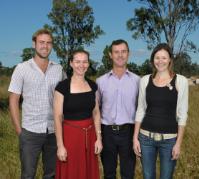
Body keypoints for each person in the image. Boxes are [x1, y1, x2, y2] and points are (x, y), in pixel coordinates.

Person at [8, 28, 65, 179]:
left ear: (52, 45)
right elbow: (13, 100)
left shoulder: (59, 69)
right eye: (41, 42)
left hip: (54, 131)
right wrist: (20, 132)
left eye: (48, 43)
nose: (45, 46)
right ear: (34, 44)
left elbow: (66, 97)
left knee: (52, 175)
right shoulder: (22, 69)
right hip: (30, 132)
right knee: (28, 175)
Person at [133, 43, 189, 179]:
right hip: (145, 139)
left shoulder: (180, 81)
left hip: (169, 141)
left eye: (164, 58)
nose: (160, 61)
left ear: (170, 60)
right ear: (153, 60)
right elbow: (140, 110)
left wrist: (178, 144)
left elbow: (182, 115)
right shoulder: (145, 80)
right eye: (157, 58)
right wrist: (135, 138)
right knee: (148, 176)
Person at [54, 49, 102, 179]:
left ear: (88, 63)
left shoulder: (93, 86)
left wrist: (99, 139)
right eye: (78, 61)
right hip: (70, 138)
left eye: (85, 62)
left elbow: (96, 113)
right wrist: (60, 146)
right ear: (71, 63)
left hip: (90, 136)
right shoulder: (62, 87)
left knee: (88, 172)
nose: (82, 65)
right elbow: (57, 118)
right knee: (72, 172)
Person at [96, 39, 140, 179]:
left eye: (123, 52)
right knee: (109, 173)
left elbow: (141, 109)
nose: (120, 55)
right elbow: (96, 110)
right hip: (107, 131)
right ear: (110, 55)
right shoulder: (101, 81)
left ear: (128, 54)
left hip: (129, 131)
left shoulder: (137, 81)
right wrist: (98, 136)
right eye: (116, 52)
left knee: (128, 174)